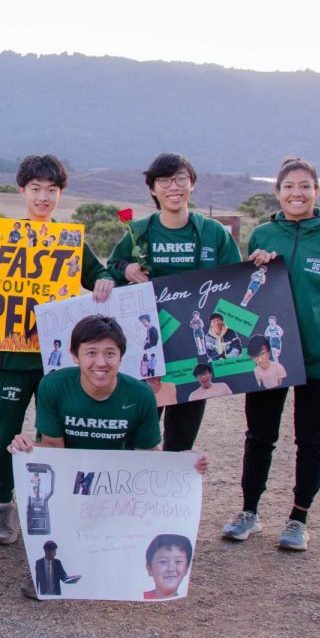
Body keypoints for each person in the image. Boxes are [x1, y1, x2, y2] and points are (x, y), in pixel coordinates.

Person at [8, 315, 208, 599]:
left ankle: (120, 563)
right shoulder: (53, 386)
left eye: (110, 353)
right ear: (75, 355)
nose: (101, 362)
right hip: (71, 477)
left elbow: (148, 454)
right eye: (91, 353)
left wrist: (182, 465)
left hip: (115, 485)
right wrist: (27, 447)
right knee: (41, 488)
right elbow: (53, 448)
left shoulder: (139, 395)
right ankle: (50, 562)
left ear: (121, 357)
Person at [222, 157, 320, 552]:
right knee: (259, 435)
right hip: (267, 356)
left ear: (317, 190)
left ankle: (298, 518)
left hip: (318, 359)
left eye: (304, 186)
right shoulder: (265, 233)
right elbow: (252, 286)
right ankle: (249, 512)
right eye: (289, 187)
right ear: (277, 192)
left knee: (312, 440)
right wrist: (255, 265)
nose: (296, 194)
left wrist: (317, 328)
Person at [0, 155, 114, 545]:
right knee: (6, 433)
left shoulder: (69, 239)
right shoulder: (4, 236)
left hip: (56, 360)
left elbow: (100, 272)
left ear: (60, 194)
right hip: (11, 357)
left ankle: (48, 504)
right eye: (36, 189)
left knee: (52, 434)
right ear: (22, 190)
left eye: (52, 190)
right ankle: (2, 505)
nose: (43, 197)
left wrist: (105, 281)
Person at [109, 153, 242, 453]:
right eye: (164, 180)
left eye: (181, 179)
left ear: (192, 184)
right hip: (147, 351)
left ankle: (171, 499)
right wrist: (125, 269)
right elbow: (111, 269)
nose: (174, 187)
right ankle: (136, 499)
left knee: (181, 439)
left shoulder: (213, 233)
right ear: (153, 189)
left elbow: (236, 280)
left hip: (194, 352)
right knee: (139, 436)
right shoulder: (139, 231)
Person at [143, 534, 193, 600]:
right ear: (149, 569)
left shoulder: (187, 601)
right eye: (163, 562)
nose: (171, 569)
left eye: (178, 561)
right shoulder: (139, 597)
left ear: (186, 568)